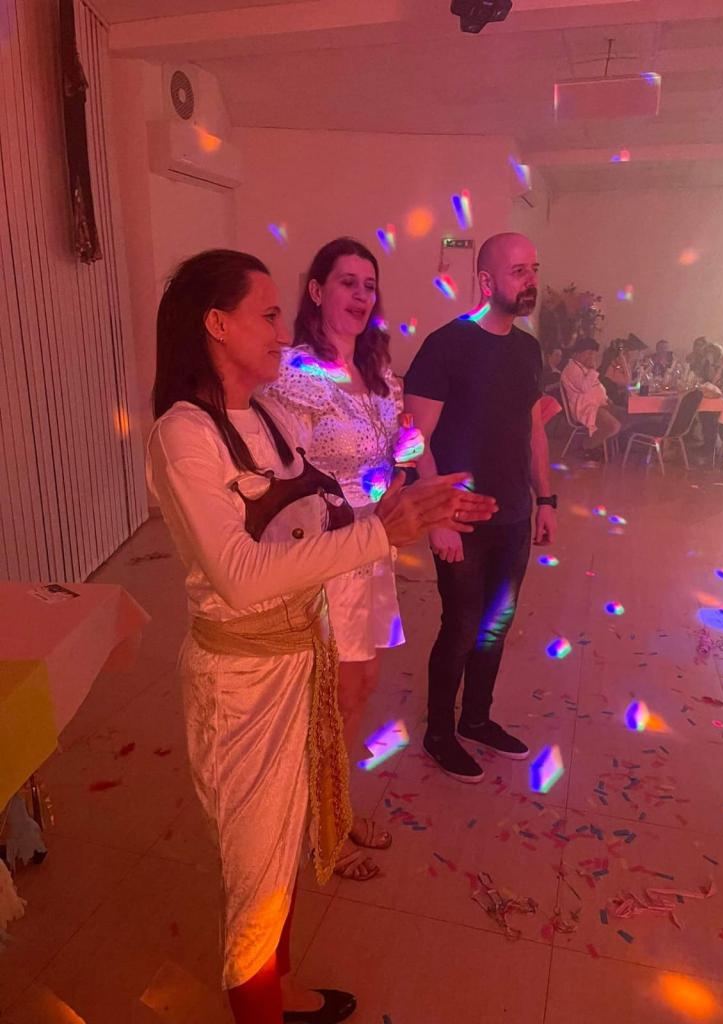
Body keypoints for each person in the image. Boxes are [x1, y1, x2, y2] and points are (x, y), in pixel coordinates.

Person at [147, 248, 497, 1022]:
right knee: (255, 876)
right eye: (269, 314)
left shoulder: (272, 412)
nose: (284, 332)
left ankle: (285, 987)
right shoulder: (185, 435)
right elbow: (240, 575)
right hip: (242, 681)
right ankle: (262, 998)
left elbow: (325, 507)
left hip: (299, 650)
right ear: (216, 323)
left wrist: (414, 506)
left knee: (282, 844)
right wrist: (382, 531)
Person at [266, 237, 422, 881]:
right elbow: (282, 471)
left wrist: (405, 454)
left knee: (360, 684)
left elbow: (391, 456)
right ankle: (317, 823)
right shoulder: (296, 373)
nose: (360, 295)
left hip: (373, 546)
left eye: (368, 285)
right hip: (325, 546)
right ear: (316, 291)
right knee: (330, 691)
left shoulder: (378, 373)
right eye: (347, 282)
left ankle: (334, 803)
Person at [404, 232, 557, 783]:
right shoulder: (445, 346)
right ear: (487, 281)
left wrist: (546, 499)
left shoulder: (527, 349)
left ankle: (476, 719)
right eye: (519, 272)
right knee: (461, 626)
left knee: (496, 623)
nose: (531, 281)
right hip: (461, 518)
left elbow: (532, 430)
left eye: (534, 269)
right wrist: (437, 517)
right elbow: (413, 440)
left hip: (514, 514)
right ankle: (439, 733)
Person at [560, 337, 622, 460]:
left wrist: (606, 398)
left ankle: (602, 446)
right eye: (589, 353)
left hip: (601, 405)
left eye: (593, 354)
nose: (591, 357)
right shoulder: (572, 369)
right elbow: (584, 387)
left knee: (628, 416)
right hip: (587, 409)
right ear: (578, 353)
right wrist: (593, 369)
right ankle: (587, 445)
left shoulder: (584, 368)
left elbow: (598, 387)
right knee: (613, 426)